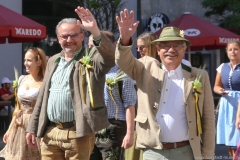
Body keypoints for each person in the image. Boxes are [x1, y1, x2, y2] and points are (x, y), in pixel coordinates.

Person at [115, 9, 215, 160]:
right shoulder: (145, 67)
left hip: (186, 151)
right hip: (153, 151)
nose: (171, 50)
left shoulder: (199, 76)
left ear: (184, 48)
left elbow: (208, 118)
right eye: (165, 45)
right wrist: (125, 38)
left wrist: (207, 154)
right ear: (158, 49)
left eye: (177, 45)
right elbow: (123, 62)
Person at [26, 6, 115, 160]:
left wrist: (95, 31)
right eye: (64, 36)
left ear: (82, 36)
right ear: (58, 38)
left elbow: (109, 58)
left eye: (73, 35)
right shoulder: (53, 60)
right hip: (51, 132)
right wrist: (32, 128)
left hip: (78, 132)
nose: (68, 40)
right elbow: (42, 98)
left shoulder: (91, 57)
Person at [90, 30, 137, 160]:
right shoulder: (88, 70)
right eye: (90, 47)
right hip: (92, 126)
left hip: (113, 127)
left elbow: (129, 104)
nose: (94, 50)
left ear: (113, 45)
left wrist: (130, 133)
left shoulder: (122, 72)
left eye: (97, 46)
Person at [0, 47, 47, 160]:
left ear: (39, 62)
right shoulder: (22, 79)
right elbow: (18, 107)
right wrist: (10, 129)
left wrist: (43, 133)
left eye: (29, 60)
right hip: (20, 125)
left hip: (36, 124)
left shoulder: (45, 81)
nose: (25, 63)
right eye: (25, 60)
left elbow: (46, 109)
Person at [214, 41, 240, 160]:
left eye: (236, 49)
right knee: (227, 138)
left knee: (237, 137)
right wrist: (220, 91)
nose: (233, 52)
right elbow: (216, 86)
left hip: (239, 103)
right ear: (227, 52)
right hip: (226, 103)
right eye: (230, 50)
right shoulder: (223, 67)